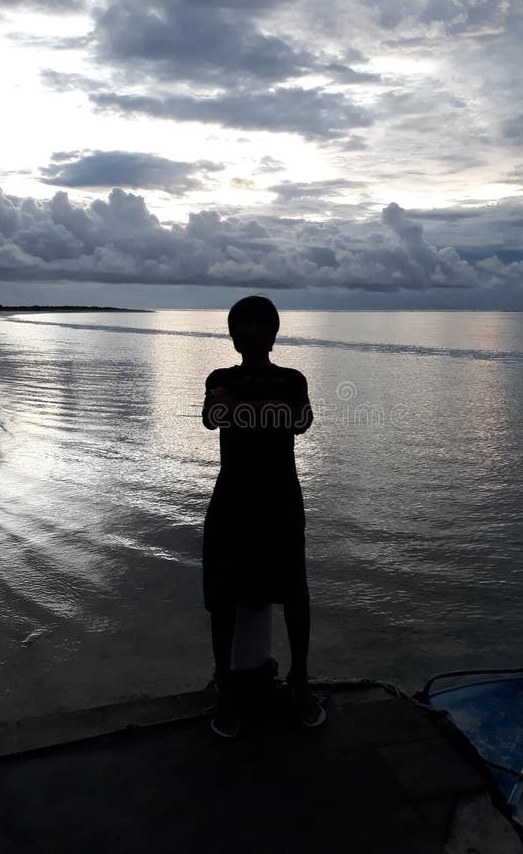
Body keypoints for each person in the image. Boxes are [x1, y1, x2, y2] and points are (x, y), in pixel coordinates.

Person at [202, 295, 325, 737]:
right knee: (222, 593)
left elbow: (301, 421)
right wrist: (266, 412)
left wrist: (239, 408)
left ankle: (299, 679)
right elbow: (214, 416)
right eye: (241, 327)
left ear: (273, 334)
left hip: (280, 501)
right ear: (232, 335)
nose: (249, 335)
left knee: (295, 592)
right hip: (232, 499)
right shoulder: (219, 377)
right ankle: (226, 683)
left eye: (258, 327)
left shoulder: (294, 379)